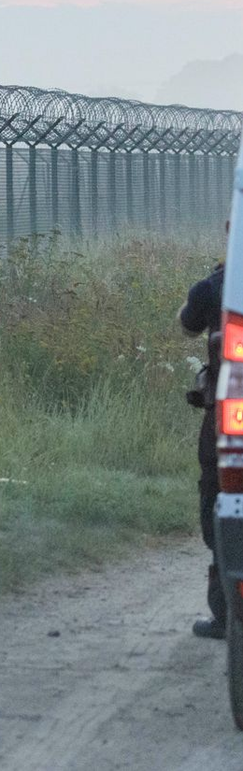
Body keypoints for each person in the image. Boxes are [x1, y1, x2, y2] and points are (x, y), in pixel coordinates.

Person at [181, 251, 226, 639]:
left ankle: (226, 614)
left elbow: (187, 325)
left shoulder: (216, 285)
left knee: (218, 500)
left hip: (227, 421)